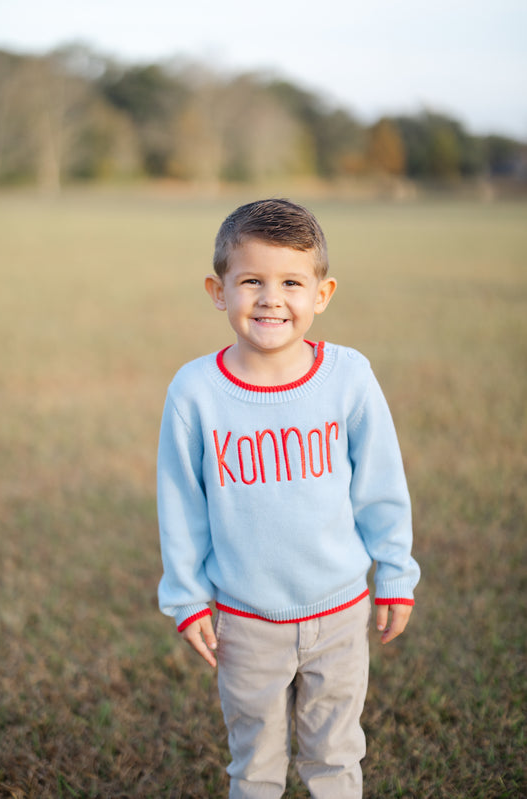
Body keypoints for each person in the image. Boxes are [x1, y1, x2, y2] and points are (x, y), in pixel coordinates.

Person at [157, 198, 420, 799]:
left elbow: (381, 487)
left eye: (292, 283)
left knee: (335, 757)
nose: (271, 299)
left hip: (340, 613)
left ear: (322, 294)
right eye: (252, 280)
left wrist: (395, 572)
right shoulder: (195, 391)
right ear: (219, 291)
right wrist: (187, 597)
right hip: (246, 620)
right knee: (255, 764)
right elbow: (181, 504)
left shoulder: (348, 377)